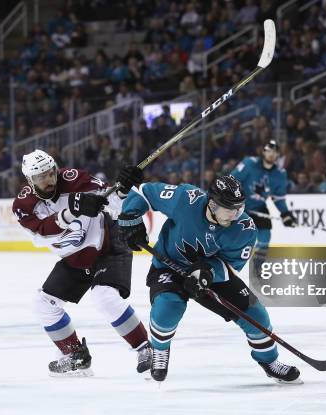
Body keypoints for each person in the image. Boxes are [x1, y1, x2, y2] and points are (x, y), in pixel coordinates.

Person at [118, 174, 300, 383]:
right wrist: (131, 217)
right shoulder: (185, 199)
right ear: (212, 204)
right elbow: (143, 191)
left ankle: (269, 361)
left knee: (256, 315)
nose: (235, 214)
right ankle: (159, 350)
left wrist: (206, 273)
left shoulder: (244, 229)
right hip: (168, 266)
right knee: (168, 307)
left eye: (239, 208)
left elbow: (231, 267)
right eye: (229, 208)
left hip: (210, 276)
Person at [12, 149, 151, 376]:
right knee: (42, 304)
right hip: (75, 258)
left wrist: (124, 189)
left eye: (50, 173)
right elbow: (41, 234)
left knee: (104, 297)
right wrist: (70, 213)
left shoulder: (74, 178)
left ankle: (145, 348)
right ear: (30, 180)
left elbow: (112, 201)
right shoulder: (24, 205)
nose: (48, 180)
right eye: (40, 177)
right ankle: (75, 355)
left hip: (108, 245)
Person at [231, 140, 296, 277]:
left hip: (258, 207)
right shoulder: (249, 164)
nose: (271, 154)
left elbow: (278, 198)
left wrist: (285, 213)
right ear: (264, 152)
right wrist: (235, 202)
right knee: (234, 237)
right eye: (269, 151)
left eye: (275, 152)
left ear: (278, 155)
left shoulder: (280, 174)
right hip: (239, 207)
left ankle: (258, 267)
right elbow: (231, 180)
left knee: (265, 234)